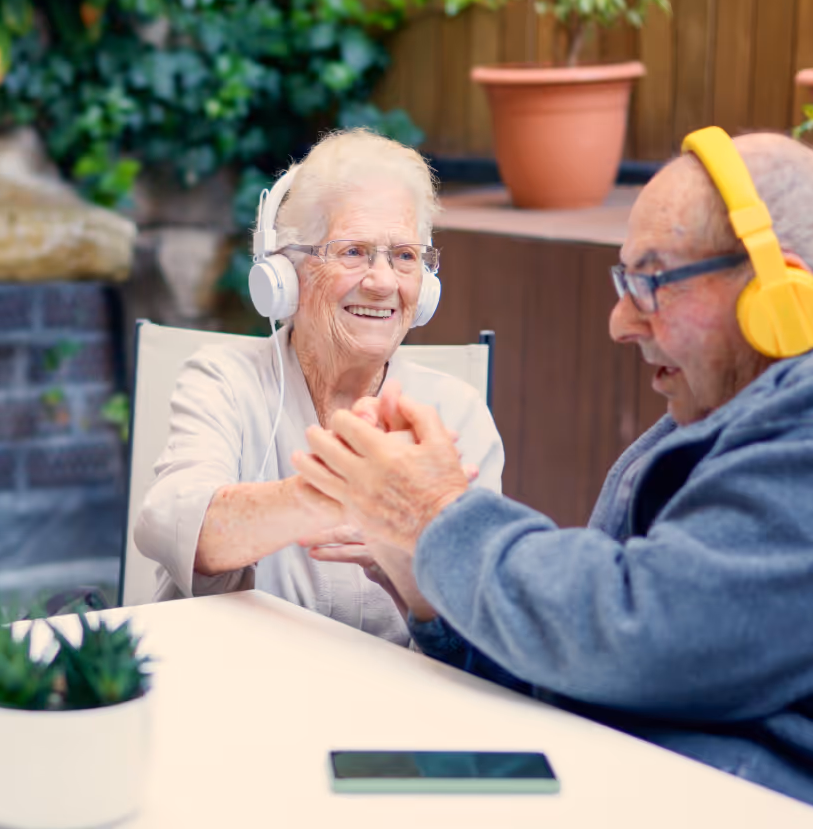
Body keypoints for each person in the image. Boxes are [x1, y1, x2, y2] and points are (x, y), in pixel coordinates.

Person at [294, 130, 813, 805]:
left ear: (782, 294)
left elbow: (639, 632)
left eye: (651, 281)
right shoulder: (690, 429)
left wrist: (437, 515)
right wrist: (423, 579)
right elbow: (580, 661)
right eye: (624, 281)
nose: (619, 322)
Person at [134, 128, 504, 644]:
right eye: (353, 251)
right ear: (285, 274)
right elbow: (173, 525)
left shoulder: (455, 413)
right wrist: (347, 491)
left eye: (404, 256)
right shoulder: (223, 379)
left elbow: (484, 618)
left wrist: (410, 570)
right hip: (235, 687)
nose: (382, 281)